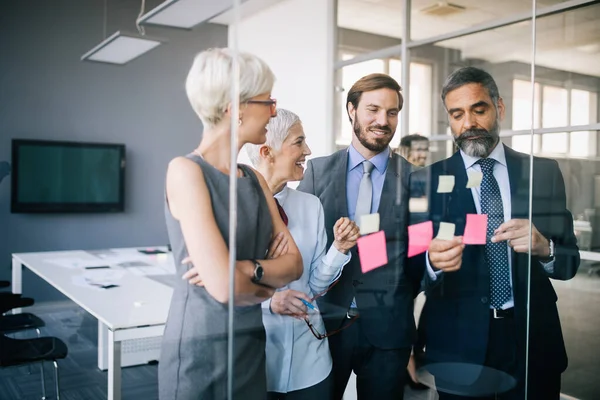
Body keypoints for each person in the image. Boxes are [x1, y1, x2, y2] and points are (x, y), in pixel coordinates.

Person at [412, 66, 580, 399]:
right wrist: (431, 260)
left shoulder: (542, 174)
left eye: (479, 109)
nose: (469, 123)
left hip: (531, 339)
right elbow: (411, 268)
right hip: (459, 344)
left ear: (499, 108)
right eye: (457, 114)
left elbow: (570, 261)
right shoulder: (425, 181)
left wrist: (544, 246)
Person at [159, 48, 303, 400]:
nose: (273, 110)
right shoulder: (186, 171)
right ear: (235, 110)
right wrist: (267, 281)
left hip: (249, 343)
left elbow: (293, 264)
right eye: (266, 101)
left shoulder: (254, 178)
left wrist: (244, 269)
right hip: (200, 347)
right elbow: (224, 289)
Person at [297, 73, 423, 400]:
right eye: (373, 109)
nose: (383, 120)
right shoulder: (315, 172)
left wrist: (396, 294)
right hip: (325, 324)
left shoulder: (417, 180)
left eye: (392, 112)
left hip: (389, 331)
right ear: (351, 109)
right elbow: (300, 247)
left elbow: (420, 259)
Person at [244, 108, 360, 399]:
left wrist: (339, 249)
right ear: (267, 151)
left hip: (311, 364)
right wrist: (270, 302)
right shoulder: (234, 208)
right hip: (257, 361)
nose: (307, 150)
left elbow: (315, 285)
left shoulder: (310, 205)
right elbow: (218, 285)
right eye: (299, 142)